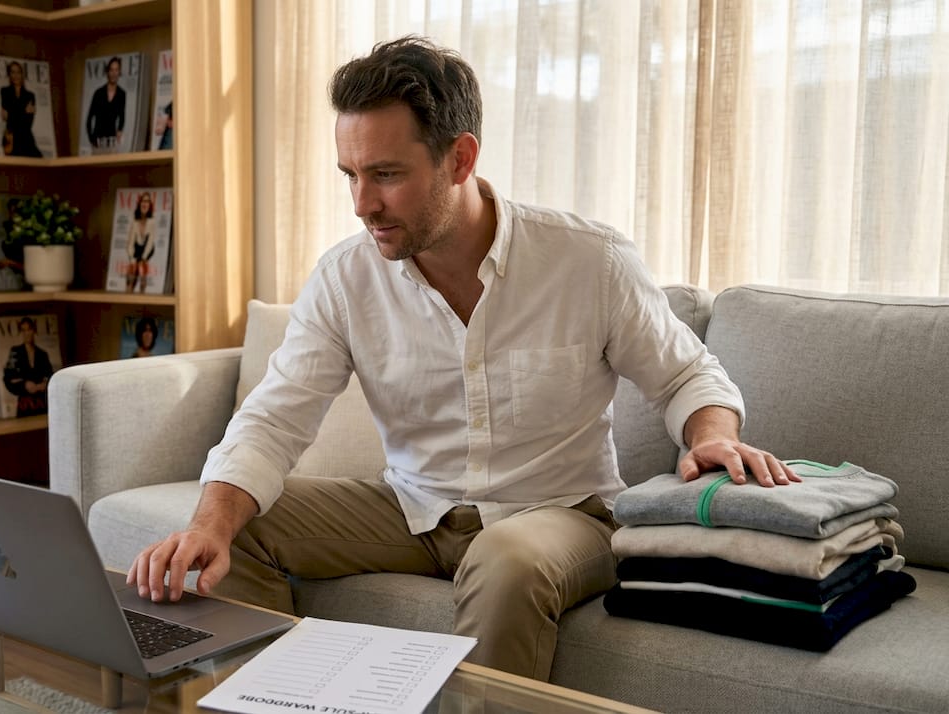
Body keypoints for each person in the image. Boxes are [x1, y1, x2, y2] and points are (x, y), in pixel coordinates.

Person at [126, 36, 801, 681]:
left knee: (504, 558)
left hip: (561, 515)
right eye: (351, 176)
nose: (363, 205)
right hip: (413, 510)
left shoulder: (588, 261)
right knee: (231, 524)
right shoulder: (345, 278)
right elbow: (274, 420)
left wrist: (711, 437)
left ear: (460, 158)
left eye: (386, 175)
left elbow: (687, 375)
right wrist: (211, 522)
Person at [2, 317, 54, 416]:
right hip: (24, 406)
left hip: (42, 405)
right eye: (24, 330)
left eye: (29, 329)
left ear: (34, 331)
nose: (27, 333)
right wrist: (24, 385)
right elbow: (8, 378)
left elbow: (51, 376)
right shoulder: (16, 352)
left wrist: (45, 384)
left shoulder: (42, 354)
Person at [0, 61, 42, 158]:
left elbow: (28, 122)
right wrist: (24, 112)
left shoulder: (30, 95)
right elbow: (9, 119)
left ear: (22, 74)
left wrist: (12, 113)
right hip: (11, 138)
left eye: (18, 72)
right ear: (9, 74)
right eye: (13, 72)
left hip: (26, 138)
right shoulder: (5, 92)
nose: (16, 75)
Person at [85, 56, 126, 150]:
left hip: (111, 141)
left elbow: (122, 116)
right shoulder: (98, 93)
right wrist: (91, 139)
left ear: (119, 72)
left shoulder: (121, 94)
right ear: (107, 72)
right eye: (111, 70)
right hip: (97, 140)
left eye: (116, 70)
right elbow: (89, 118)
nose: (114, 73)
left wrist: (120, 130)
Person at [124, 192, 155, 292]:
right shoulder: (135, 222)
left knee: (141, 266)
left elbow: (150, 243)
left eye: (147, 201)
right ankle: (129, 288)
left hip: (147, 248)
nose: (145, 203)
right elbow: (130, 243)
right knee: (133, 270)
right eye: (143, 201)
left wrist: (144, 258)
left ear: (150, 206)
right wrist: (132, 258)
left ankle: (143, 287)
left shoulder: (152, 222)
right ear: (139, 204)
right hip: (136, 248)